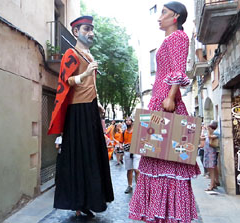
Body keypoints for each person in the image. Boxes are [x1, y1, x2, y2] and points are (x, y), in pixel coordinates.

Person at [129, 2, 200, 222]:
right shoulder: (168, 39)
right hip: (159, 99)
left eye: (164, 13)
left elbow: (179, 69)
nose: (159, 17)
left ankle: (169, 214)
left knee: (168, 157)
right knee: (157, 157)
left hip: (166, 101)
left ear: (175, 17)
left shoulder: (178, 37)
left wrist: (170, 96)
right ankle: (161, 213)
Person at [48, 15, 114, 218]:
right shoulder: (71, 52)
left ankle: (90, 199)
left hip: (91, 108)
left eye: (92, 29)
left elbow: (90, 85)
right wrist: (85, 75)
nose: (91, 33)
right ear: (76, 32)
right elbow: (66, 80)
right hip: (78, 111)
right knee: (80, 156)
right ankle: (78, 200)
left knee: (93, 156)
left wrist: (99, 103)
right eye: (86, 29)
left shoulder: (89, 54)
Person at [121, 117, 141, 194]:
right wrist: (120, 145)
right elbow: (120, 141)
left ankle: (139, 187)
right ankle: (129, 185)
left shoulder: (137, 131)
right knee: (129, 169)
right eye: (126, 120)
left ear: (132, 122)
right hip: (127, 151)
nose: (128, 121)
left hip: (136, 151)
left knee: (136, 170)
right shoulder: (124, 132)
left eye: (129, 120)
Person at [202, 121, 220, 191]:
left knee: (212, 169)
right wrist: (203, 130)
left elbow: (210, 137)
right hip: (207, 153)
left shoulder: (216, 133)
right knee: (209, 168)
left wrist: (209, 131)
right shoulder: (209, 133)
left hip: (211, 154)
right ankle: (214, 182)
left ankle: (212, 184)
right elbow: (203, 138)